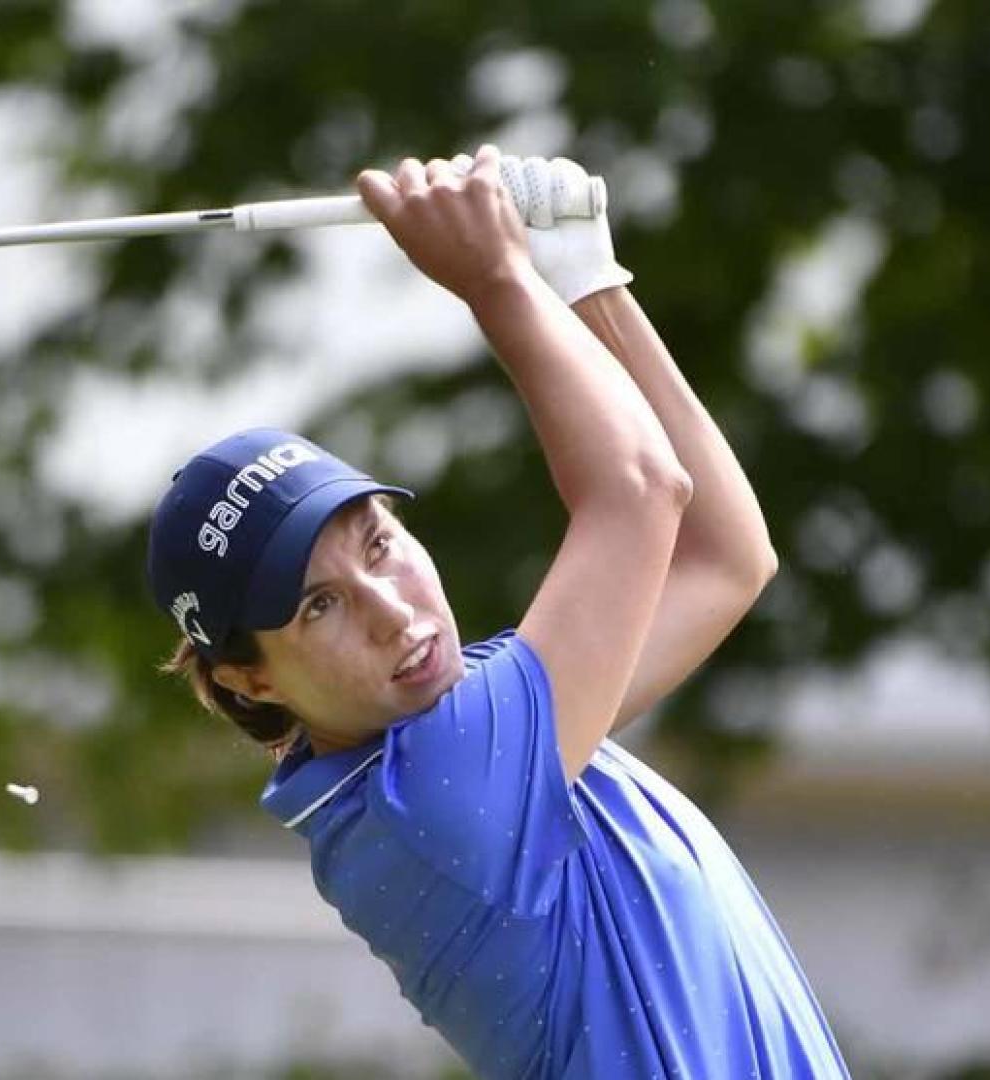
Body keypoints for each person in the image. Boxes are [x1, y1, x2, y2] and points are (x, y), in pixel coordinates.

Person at [144, 144, 850, 1078]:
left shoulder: (476, 728)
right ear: (250, 678)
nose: (391, 612)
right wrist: (497, 281)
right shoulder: (429, 797)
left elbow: (721, 560)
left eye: (379, 545)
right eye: (319, 606)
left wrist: (589, 283)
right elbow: (641, 491)